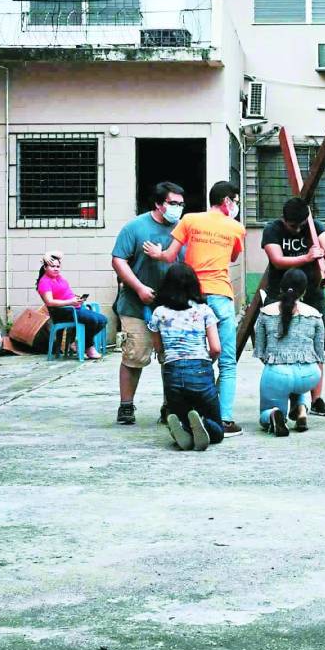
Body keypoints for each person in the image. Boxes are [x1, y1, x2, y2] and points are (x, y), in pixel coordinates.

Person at [143, 181, 246, 438]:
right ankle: (223, 419)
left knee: (182, 354)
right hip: (221, 296)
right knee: (228, 363)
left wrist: (156, 253)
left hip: (191, 297)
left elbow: (169, 256)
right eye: (236, 201)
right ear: (227, 202)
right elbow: (232, 258)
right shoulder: (236, 228)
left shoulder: (189, 220)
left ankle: (179, 411)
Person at [112, 181, 185, 425]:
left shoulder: (182, 230)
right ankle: (126, 406)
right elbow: (118, 260)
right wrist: (139, 288)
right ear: (158, 204)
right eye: (173, 203)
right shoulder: (135, 227)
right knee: (135, 355)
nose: (178, 208)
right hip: (136, 305)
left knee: (171, 358)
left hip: (172, 308)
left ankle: (170, 406)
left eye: (181, 204)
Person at [261, 197, 325, 417]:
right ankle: (282, 394)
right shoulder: (272, 229)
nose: (297, 230)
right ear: (283, 219)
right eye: (292, 226)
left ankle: (317, 399)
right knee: (276, 342)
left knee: (317, 347)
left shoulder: (315, 227)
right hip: (280, 293)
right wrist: (307, 257)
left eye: (300, 225)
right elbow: (277, 260)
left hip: (312, 293)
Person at [147, 264, 223, 452]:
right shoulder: (204, 310)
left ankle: (183, 427)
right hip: (200, 369)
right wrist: (207, 362)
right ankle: (203, 422)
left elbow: (158, 348)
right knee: (218, 431)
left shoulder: (158, 313)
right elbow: (216, 348)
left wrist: (168, 359)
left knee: (182, 411)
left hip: (172, 372)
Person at [254, 268, 323, 437]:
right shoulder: (314, 315)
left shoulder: (266, 313)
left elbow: (260, 351)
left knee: (267, 410)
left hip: (278, 374)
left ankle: (274, 414)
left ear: (281, 287)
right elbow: (319, 354)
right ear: (304, 291)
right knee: (298, 382)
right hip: (310, 375)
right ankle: (301, 409)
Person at [36, 251, 107, 359]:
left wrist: (76, 299)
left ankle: (78, 344)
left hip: (74, 308)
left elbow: (60, 254)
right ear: (45, 267)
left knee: (103, 319)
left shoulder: (58, 277)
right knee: (93, 320)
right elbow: (49, 302)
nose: (56, 268)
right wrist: (71, 302)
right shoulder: (44, 282)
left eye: (58, 266)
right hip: (62, 312)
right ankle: (89, 347)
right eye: (52, 266)